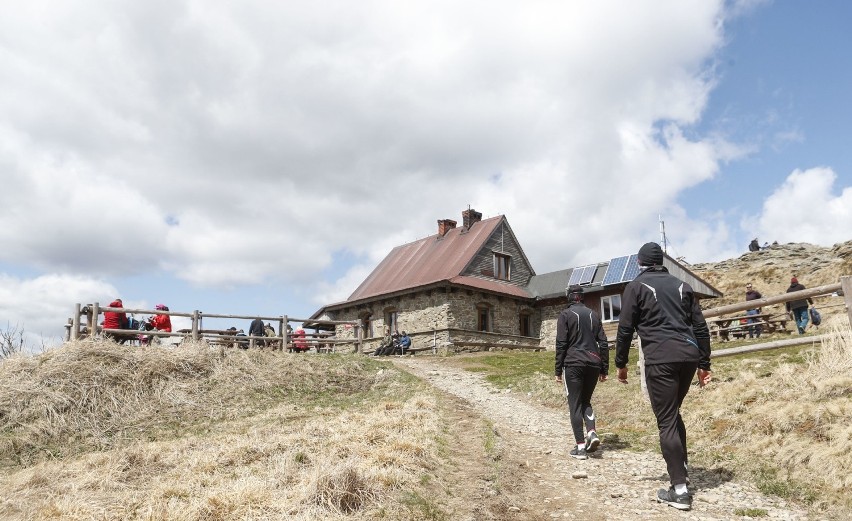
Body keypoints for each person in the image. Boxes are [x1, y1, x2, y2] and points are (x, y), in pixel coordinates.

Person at [615, 242, 712, 511]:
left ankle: (679, 490)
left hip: (661, 357)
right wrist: (705, 363)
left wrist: (620, 364)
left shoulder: (635, 287)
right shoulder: (683, 286)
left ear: (640, 262)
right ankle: (682, 466)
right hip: (689, 356)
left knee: (666, 419)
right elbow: (700, 326)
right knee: (673, 411)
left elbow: (625, 329)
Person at [555, 284, 609, 460]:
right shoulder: (594, 315)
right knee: (586, 400)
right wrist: (604, 368)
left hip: (573, 363)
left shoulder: (565, 315)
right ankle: (591, 432)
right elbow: (603, 342)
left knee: (575, 403)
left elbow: (561, 343)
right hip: (594, 363)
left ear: (569, 297)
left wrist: (557, 369)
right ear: (582, 297)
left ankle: (580, 448)